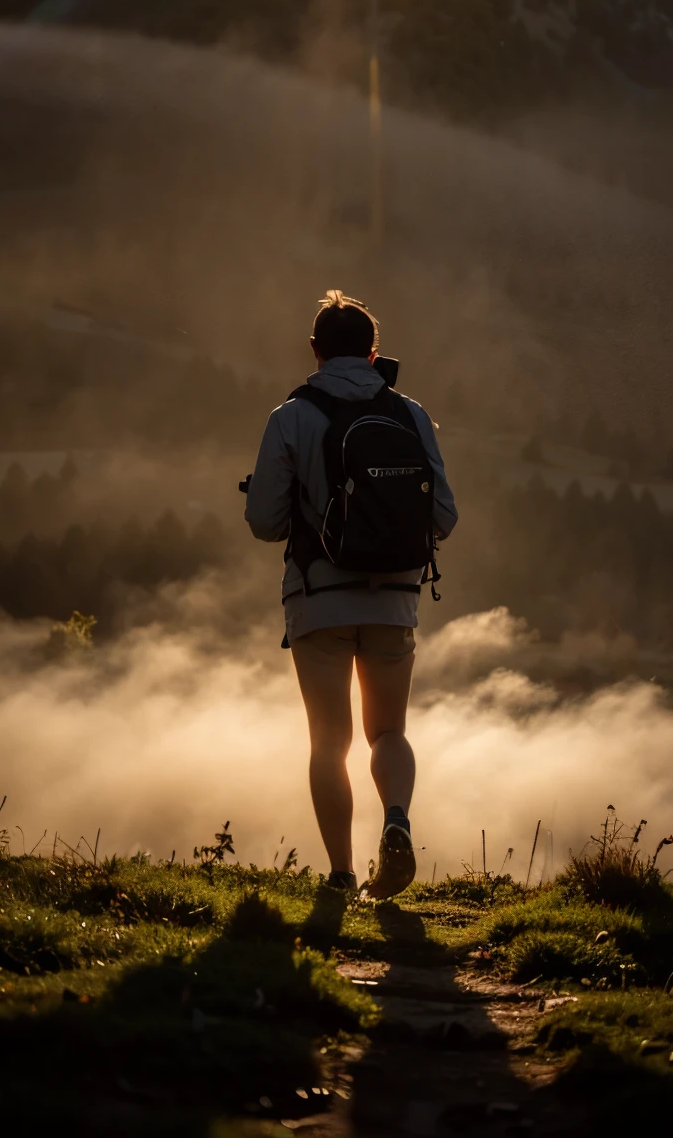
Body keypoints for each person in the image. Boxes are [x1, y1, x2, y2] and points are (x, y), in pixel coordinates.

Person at [244, 289, 457, 897]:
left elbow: (264, 522)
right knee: (387, 732)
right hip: (395, 600)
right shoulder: (410, 416)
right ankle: (396, 820)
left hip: (318, 599)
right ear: (373, 351)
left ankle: (341, 876)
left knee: (328, 742)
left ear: (314, 350)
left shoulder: (289, 418)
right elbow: (443, 516)